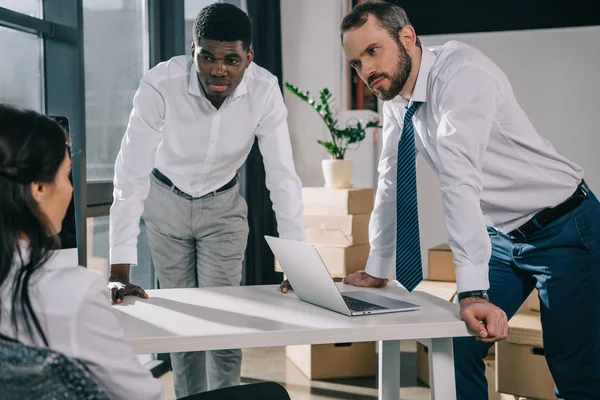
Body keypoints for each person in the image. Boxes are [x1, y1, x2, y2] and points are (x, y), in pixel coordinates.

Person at [339, 1, 600, 399]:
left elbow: (460, 181)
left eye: (373, 51)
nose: (366, 71)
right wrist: (378, 266)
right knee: (456, 344)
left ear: (406, 37)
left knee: (573, 367)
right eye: (356, 63)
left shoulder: (462, 75)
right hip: (502, 235)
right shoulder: (394, 96)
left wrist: (472, 292)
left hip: (565, 227)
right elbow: (390, 181)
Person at [0, 104, 293, 400]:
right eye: (66, 175)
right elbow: (144, 395)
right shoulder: (71, 292)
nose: (71, 189)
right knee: (272, 394)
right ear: (38, 188)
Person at [107, 3, 305, 398]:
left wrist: (297, 264)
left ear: (248, 57)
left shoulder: (265, 90)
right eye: (207, 56)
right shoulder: (159, 84)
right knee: (181, 327)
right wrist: (118, 268)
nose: (218, 70)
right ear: (192, 50)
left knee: (224, 323)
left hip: (223, 207)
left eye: (232, 59)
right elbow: (130, 175)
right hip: (165, 205)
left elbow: (283, 177)